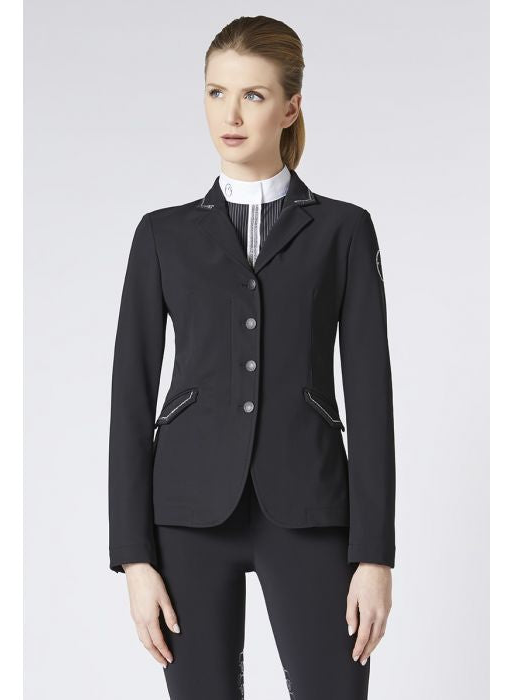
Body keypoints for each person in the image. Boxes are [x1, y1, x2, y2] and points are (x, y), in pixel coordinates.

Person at [108, 15, 396, 700]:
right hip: (186, 512)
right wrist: (134, 558)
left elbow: (372, 395)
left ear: (290, 106)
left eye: (253, 95)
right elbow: (130, 396)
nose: (230, 115)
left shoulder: (343, 230)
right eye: (216, 93)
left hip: (312, 505)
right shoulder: (162, 235)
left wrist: (375, 554)